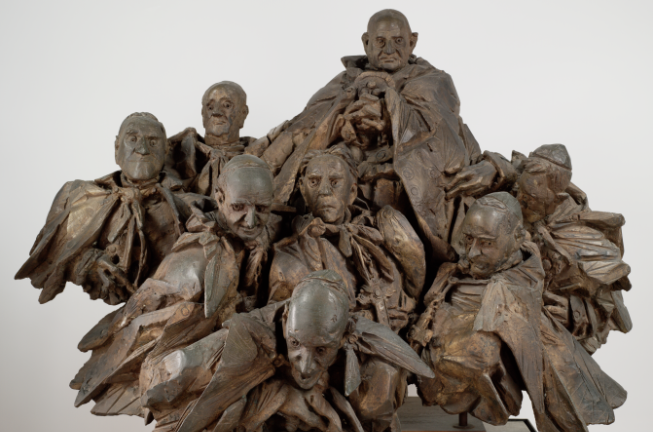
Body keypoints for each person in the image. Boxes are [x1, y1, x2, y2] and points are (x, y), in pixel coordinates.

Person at [259, 9, 514, 266]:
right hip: (344, 196)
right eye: (380, 41)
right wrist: (344, 117)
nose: (389, 49)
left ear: (412, 41)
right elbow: (305, 128)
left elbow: (445, 141)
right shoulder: (342, 84)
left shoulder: (433, 83)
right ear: (366, 42)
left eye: (398, 41)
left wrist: (391, 114)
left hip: (404, 199)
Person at [132, 270, 434, 432]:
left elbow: (376, 414)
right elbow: (186, 372)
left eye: (321, 351)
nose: (305, 366)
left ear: (345, 337)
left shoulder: (375, 366)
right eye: (295, 344)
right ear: (287, 318)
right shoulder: (253, 332)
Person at [410, 192, 626, 432]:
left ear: (517, 239)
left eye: (486, 243)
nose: (473, 251)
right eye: (468, 239)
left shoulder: (518, 295)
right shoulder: (452, 273)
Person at [70, 155, 281, 420]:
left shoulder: (252, 235)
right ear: (219, 197)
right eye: (238, 207)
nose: (250, 221)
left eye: (261, 208)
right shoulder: (199, 262)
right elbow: (146, 322)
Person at [16, 112, 204, 305]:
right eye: (133, 139)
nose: (142, 149)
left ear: (166, 151)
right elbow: (51, 261)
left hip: (173, 305)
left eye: (153, 142)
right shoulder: (77, 197)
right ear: (116, 148)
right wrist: (86, 263)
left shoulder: (192, 206)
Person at [268, 144, 426, 333]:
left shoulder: (382, 228)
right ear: (303, 188)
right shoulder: (291, 257)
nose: (324, 191)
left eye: (335, 182)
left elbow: (415, 279)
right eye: (314, 182)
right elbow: (287, 325)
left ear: (352, 192)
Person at [515, 144, 632, 353]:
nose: (518, 201)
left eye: (529, 198)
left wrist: (574, 315)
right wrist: (493, 166)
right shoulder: (519, 185)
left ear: (557, 199)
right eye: (519, 190)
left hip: (533, 331)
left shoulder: (590, 245)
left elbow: (604, 313)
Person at [166, 81, 256, 195]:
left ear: (244, 112)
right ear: (203, 113)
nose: (216, 112)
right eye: (210, 107)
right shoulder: (177, 152)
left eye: (227, 105)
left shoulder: (258, 155)